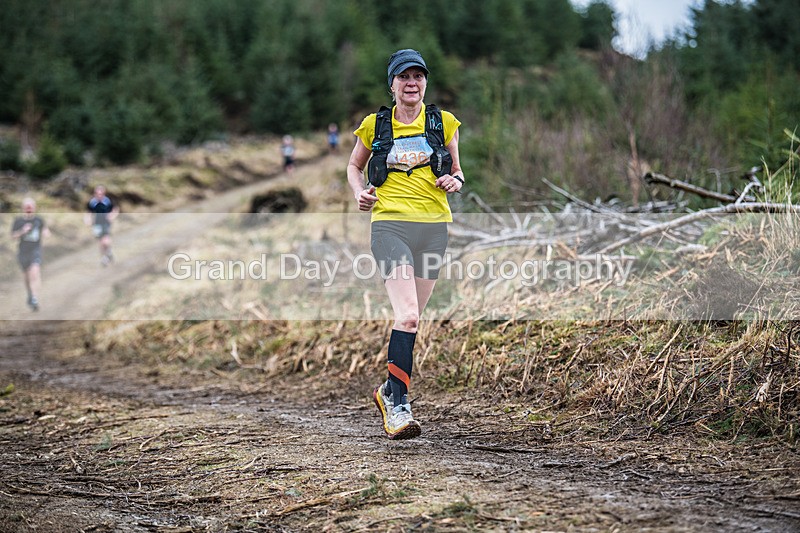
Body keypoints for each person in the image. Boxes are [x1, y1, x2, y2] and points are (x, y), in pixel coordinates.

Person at [347, 49, 465, 440]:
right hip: (390, 227)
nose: (411, 83)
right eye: (403, 77)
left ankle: (387, 390)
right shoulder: (374, 125)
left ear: (425, 83)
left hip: (434, 229)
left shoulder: (443, 123)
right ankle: (398, 406)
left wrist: (455, 181)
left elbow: (458, 170)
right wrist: (359, 193)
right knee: (409, 316)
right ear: (392, 84)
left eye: (418, 76)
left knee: (411, 323)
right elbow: (353, 166)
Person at [10, 198, 50, 311]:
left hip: (35, 250)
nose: (29, 208)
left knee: (35, 272)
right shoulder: (18, 221)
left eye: (31, 206)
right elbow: (13, 236)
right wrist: (22, 231)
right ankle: (30, 294)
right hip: (23, 251)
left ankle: (34, 298)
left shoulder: (39, 220)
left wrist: (46, 233)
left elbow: (45, 230)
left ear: (34, 207)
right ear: (23, 208)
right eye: (27, 206)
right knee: (27, 277)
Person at [84, 185, 119, 266]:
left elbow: (115, 209)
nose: (99, 195)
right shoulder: (92, 202)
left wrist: (112, 216)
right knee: (101, 242)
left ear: (104, 193)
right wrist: (87, 220)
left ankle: (107, 254)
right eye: (97, 193)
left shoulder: (108, 201)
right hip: (96, 224)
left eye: (101, 193)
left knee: (106, 240)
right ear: (95, 194)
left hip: (106, 223)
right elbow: (88, 212)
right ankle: (105, 256)